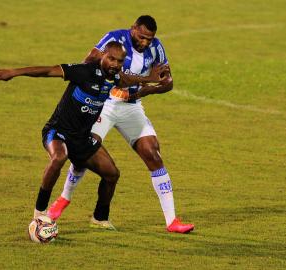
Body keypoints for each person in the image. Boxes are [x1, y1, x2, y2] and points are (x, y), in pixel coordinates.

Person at [0, 41, 167, 229]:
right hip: (58, 131)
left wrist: (148, 79)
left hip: (82, 138)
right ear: (103, 56)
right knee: (59, 157)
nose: (115, 64)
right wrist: (14, 72)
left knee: (111, 174)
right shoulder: (84, 71)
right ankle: (40, 213)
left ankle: (100, 219)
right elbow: (48, 70)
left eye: (119, 61)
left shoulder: (114, 77)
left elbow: (125, 80)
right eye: (111, 59)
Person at [48, 15, 195, 233]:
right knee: (85, 152)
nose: (145, 42)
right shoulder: (114, 38)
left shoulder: (156, 48)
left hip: (132, 106)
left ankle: (172, 221)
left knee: (153, 154)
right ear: (133, 29)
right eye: (142, 36)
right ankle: (62, 199)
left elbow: (168, 82)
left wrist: (149, 89)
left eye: (149, 38)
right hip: (104, 104)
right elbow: (88, 62)